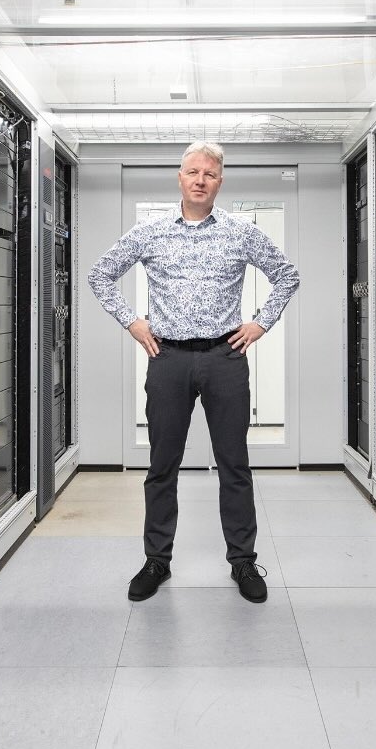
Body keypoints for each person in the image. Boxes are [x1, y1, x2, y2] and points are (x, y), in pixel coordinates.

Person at [87, 141, 300, 603]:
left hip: (225, 358)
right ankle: (156, 560)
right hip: (168, 359)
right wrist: (132, 320)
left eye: (209, 173)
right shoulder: (151, 232)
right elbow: (100, 274)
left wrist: (261, 322)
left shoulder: (241, 233)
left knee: (234, 465)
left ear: (220, 181)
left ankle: (243, 561)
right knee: (162, 466)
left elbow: (287, 273)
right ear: (179, 178)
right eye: (192, 172)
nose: (200, 179)